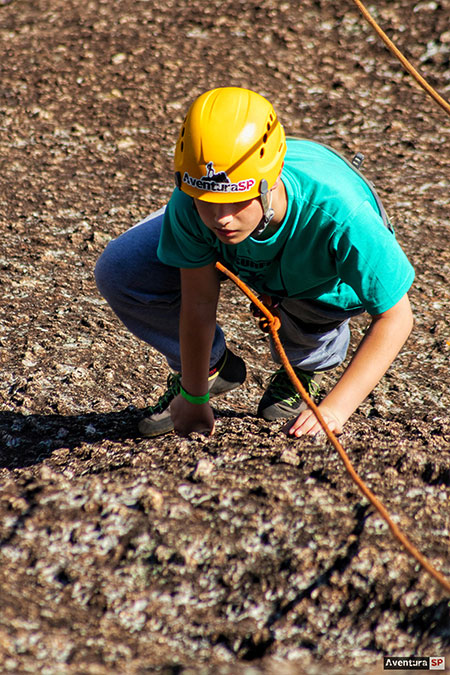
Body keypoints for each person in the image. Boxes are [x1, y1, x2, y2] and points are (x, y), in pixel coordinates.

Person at [95, 86, 414, 439]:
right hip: (261, 246)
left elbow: (396, 317)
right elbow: (199, 302)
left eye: (237, 201)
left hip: (318, 270)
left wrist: (335, 410)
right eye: (207, 200)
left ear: (270, 182)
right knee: (121, 268)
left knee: (318, 309)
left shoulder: (341, 217)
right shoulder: (194, 201)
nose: (221, 219)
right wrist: (195, 392)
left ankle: (307, 367)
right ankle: (216, 366)